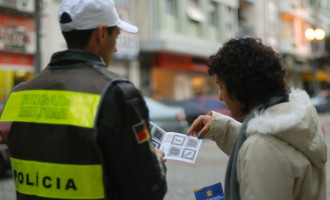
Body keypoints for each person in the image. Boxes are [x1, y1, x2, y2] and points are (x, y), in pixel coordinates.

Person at [0, 0, 167, 199]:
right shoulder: (116, 93)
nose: (115, 48)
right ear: (101, 33)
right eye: (117, 35)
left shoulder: (19, 93)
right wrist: (155, 161)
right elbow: (148, 188)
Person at [188, 36, 327, 200]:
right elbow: (270, 146)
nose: (220, 97)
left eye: (222, 87)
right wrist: (219, 126)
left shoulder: (263, 148)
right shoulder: (295, 118)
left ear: (241, 88)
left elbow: (262, 150)